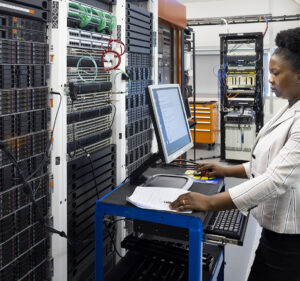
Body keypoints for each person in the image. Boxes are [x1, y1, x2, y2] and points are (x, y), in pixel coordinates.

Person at [170, 27, 300, 281]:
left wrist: (209, 202)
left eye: (275, 73)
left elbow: (277, 179)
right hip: (275, 232)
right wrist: (227, 170)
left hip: (290, 243)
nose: (270, 79)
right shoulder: (290, 107)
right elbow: (271, 161)